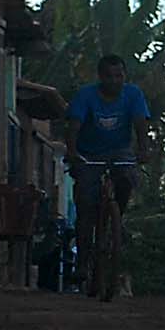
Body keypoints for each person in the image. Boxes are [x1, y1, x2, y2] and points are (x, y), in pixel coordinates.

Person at [66, 54, 150, 264]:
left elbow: (140, 123)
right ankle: (83, 262)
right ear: (100, 77)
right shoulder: (85, 96)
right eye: (109, 76)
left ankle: (115, 219)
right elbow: (73, 126)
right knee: (85, 207)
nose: (114, 81)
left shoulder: (133, 94)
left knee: (126, 179)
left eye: (118, 76)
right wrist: (72, 152)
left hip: (120, 151)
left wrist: (143, 149)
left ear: (124, 76)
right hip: (89, 154)